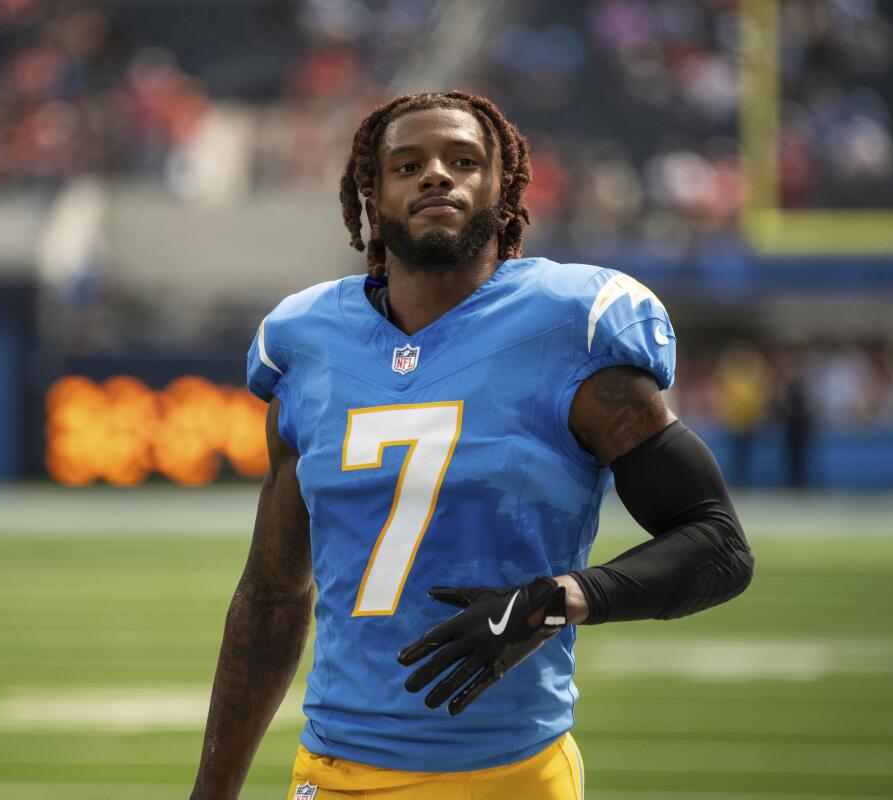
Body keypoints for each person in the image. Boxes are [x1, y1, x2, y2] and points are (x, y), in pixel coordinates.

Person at [190, 91, 754, 800]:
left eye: (463, 161)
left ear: (503, 185)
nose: (436, 176)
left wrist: (557, 599)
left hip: (508, 777)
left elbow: (718, 544)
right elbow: (272, 598)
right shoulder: (306, 344)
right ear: (371, 191)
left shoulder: (568, 330)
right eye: (407, 164)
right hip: (332, 772)